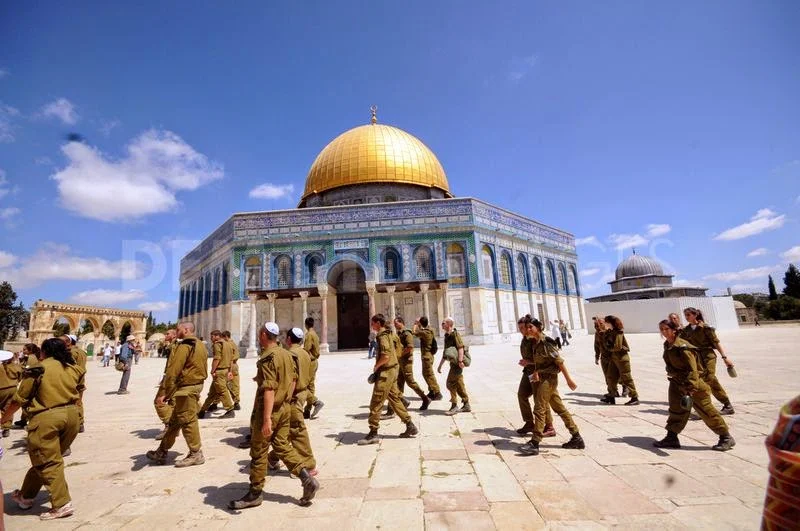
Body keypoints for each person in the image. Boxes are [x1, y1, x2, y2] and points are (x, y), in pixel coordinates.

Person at [228, 321, 319, 509]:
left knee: (259, 450)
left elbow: (269, 389)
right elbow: (293, 380)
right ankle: (306, 478)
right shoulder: (287, 354)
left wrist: (267, 418)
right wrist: (285, 398)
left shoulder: (268, 357)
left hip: (270, 410)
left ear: (262, 335)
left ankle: (254, 493)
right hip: (285, 407)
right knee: (282, 446)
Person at [1, 338, 85, 520]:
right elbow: (80, 391)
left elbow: (18, 399)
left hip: (47, 417)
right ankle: (26, 496)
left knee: (48, 462)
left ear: (44, 352)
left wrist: (4, 419)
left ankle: (62, 504)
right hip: (71, 416)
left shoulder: (39, 369)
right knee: (47, 458)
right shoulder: (72, 368)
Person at [653, 319, 736, 451]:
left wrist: (691, 387)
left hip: (692, 385)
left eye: (666, 329)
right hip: (676, 383)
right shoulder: (668, 345)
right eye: (662, 329)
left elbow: (693, 369)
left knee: (706, 411)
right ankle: (671, 437)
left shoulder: (683, 347)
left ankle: (726, 437)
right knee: (676, 410)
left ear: (674, 330)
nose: (664, 331)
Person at [519, 317, 584, 456]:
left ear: (538, 327)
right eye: (527, 327)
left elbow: (559, 362)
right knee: (559, 408)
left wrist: (569, 380)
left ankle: (535, 442)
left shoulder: (547, 343)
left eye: (531, 327)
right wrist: (534, 369)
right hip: (541, 378)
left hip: (548, 380)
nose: (528, 330)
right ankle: (576, 436)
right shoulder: (534, 342)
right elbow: (540, 362)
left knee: (539, 408)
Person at [145, 322, 208, 467]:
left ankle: (196, 454)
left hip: (186, 389)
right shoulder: (200, 345)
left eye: (178, 329)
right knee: (174, 421)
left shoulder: (185, 346)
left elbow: (173, 371)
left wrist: (166, 392)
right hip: (194, 386)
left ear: (186, 330)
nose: (176, 331)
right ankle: (161, 451)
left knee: (188, 421)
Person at [357, 314, 419, 445]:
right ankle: (410, 425)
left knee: (376, 402)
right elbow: (398, 350)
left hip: (386, 372)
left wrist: (376, 366)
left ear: (378, 323)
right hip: (393, 369)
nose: (371, 325)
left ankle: (373, 433)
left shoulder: (382, 335)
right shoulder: (391, 333)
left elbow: (385, 355)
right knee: (394, 399)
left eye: (372, 323)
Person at [268, 327, 317, 474]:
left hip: (293, 396)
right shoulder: (305, 354)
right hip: (303, 392)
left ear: (288, 339)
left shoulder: (290, 355)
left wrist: (286, 397)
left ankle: (309, 465)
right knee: (286, 430)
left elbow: (291, 379)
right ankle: (273, 458)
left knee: (297, 430)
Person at [679, 307, 736, 415]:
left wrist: (724, 357)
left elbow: (716, 343)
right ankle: (726, 404)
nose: (687, 317)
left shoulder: (706, 328)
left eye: (689, 315)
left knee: (708, 379)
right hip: (697, 358)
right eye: (685, 315)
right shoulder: (686, 330)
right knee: (710, 380)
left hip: (708, 356)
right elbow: (680, 341)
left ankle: (705, 407)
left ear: (695, 315)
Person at [516, 317, 556, 437]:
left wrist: (529, 362)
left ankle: (549, 426)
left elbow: (543, 360)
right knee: (522, 394)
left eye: (523, 328)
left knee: (540, 399)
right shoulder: (525, 339)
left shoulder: (535, 339)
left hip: (537, 372)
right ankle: (529, 422)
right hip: (527, 372)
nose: (522, 330)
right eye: (521, 328)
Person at [600, 316, 640, 406]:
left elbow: (617, 346)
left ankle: (634, 397)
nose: (605, 324)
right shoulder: (609, 332)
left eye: (606, 322)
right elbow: (606, 343)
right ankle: (611, 395)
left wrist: (609, 348)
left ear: (610, 323)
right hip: (614, 358)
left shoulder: (618, 332)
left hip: (622, 359)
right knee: (610, 377)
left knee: (626, 378)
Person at [394, 317, 431, 411]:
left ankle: (425, 398)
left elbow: (410, 347)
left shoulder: (407, 333)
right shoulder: (399, 333)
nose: (395, 325)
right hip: (401, 361)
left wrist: (399, 354)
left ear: (401, 323)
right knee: (399, 383)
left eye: (396, 323)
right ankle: (401, 402)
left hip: (407, 361)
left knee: (410, 382)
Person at [198, 330, 235, 419]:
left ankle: (230, 410)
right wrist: (229, 371)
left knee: (222, 391)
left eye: (212, 336)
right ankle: (202, 410)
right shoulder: (228, 344)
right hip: (225, 371)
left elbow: (217, 359)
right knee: (212, 393)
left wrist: (212, 370)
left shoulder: (218, 345)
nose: (211, 338)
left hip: (219, 372)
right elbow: (231, 360)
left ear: (216, 336)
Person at [438, 317, 470, 415]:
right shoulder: (447, 336)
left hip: (457, 364)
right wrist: (440, 366)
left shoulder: (455, 334)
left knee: (450, 383)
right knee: (459, 384)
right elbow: (446, 352)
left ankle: (454, 405)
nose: (442, 324)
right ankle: (466, 404)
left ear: (449, 324)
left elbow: (460, 348)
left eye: (443, 323)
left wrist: (460, 361)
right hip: (453, 363)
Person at [153, 328, 177, 440]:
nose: (165, 335)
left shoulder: (175, 346)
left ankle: (169, 426)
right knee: (173, 403)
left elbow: (173, 365)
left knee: (159, 401)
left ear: (173, 335)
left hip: (171, 379)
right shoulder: (175, 345)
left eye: (167, 333)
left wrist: (167, 379)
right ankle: (172, 428)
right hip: (173, 378)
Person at [11, 344, 41, 430]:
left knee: (23, 399)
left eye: (25, 349)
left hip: (29, 381)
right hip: (28, 380)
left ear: (30, 350)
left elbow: (27, 370)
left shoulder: (31, 358)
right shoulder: (31, 357)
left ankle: (28, 419)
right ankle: (23, 419)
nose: (23, 351)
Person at [61, 335, 87, 434]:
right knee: (79, 402)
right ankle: (80, 423)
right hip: (81, 381)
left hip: (72, 381)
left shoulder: (70, 353)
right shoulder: (82, 352)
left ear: (69, 342)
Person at [413, 316, 442, 400]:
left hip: (427, 357)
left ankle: (437, 392)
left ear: (421, 323)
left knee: (429, 375)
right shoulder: (430, 330)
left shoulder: (424, 333)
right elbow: (424, 328)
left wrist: (415, 324)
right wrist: (420, 324)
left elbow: (414, 332)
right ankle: (432, 391)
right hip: (429, 356)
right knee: (426, 374)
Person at [302, 317, 324, 420]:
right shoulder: (315, 334)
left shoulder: (309, 335)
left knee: (304, 384)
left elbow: (306, 349)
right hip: (314, 361)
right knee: (310, 385)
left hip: (310, 362)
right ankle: (307, 410)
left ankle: (315, 402)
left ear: (306, 325)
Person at [0, 349, 21, 437]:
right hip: (13, 389)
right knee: (7, 408)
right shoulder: (16, 366)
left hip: (1, 388)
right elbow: (20, 376)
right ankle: (6, 428)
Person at [224, 331, 241, 410]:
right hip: (234, 365)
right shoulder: (234, 344)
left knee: (222, 384)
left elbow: (230, 357)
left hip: (230, 365)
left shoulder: (228, 344)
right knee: (235, 384)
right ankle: (236, 401)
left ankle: (215, 402)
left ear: (226, 337)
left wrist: (229, 370)